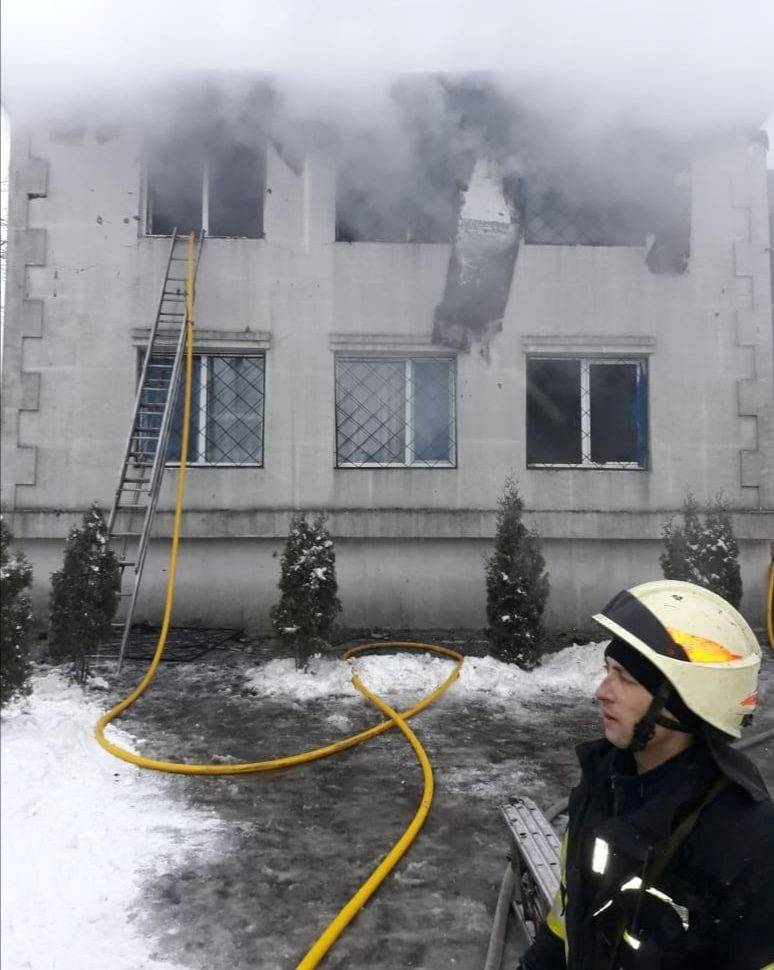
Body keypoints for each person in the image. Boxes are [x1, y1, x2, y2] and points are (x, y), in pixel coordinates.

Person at [519, 579, 774, 970]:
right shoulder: (598, 789)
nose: (602, 692)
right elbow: (565, 924)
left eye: (626, 678)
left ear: (684, 703)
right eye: (608, 671)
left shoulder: (747, 843)